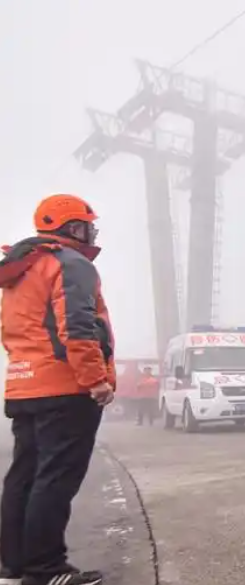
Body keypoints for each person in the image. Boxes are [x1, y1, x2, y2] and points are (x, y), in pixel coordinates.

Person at [0, 194, 114, 585]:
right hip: (65, 388)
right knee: (55, 479)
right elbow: (78, 327)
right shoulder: (71, 263)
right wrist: (95, 379)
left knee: (24, 477)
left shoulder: (22, 267)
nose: (92, 233)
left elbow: (13, 332)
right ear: (73, 228)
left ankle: (13, 566)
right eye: (88, 226)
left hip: (24, 386)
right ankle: (45, 569)